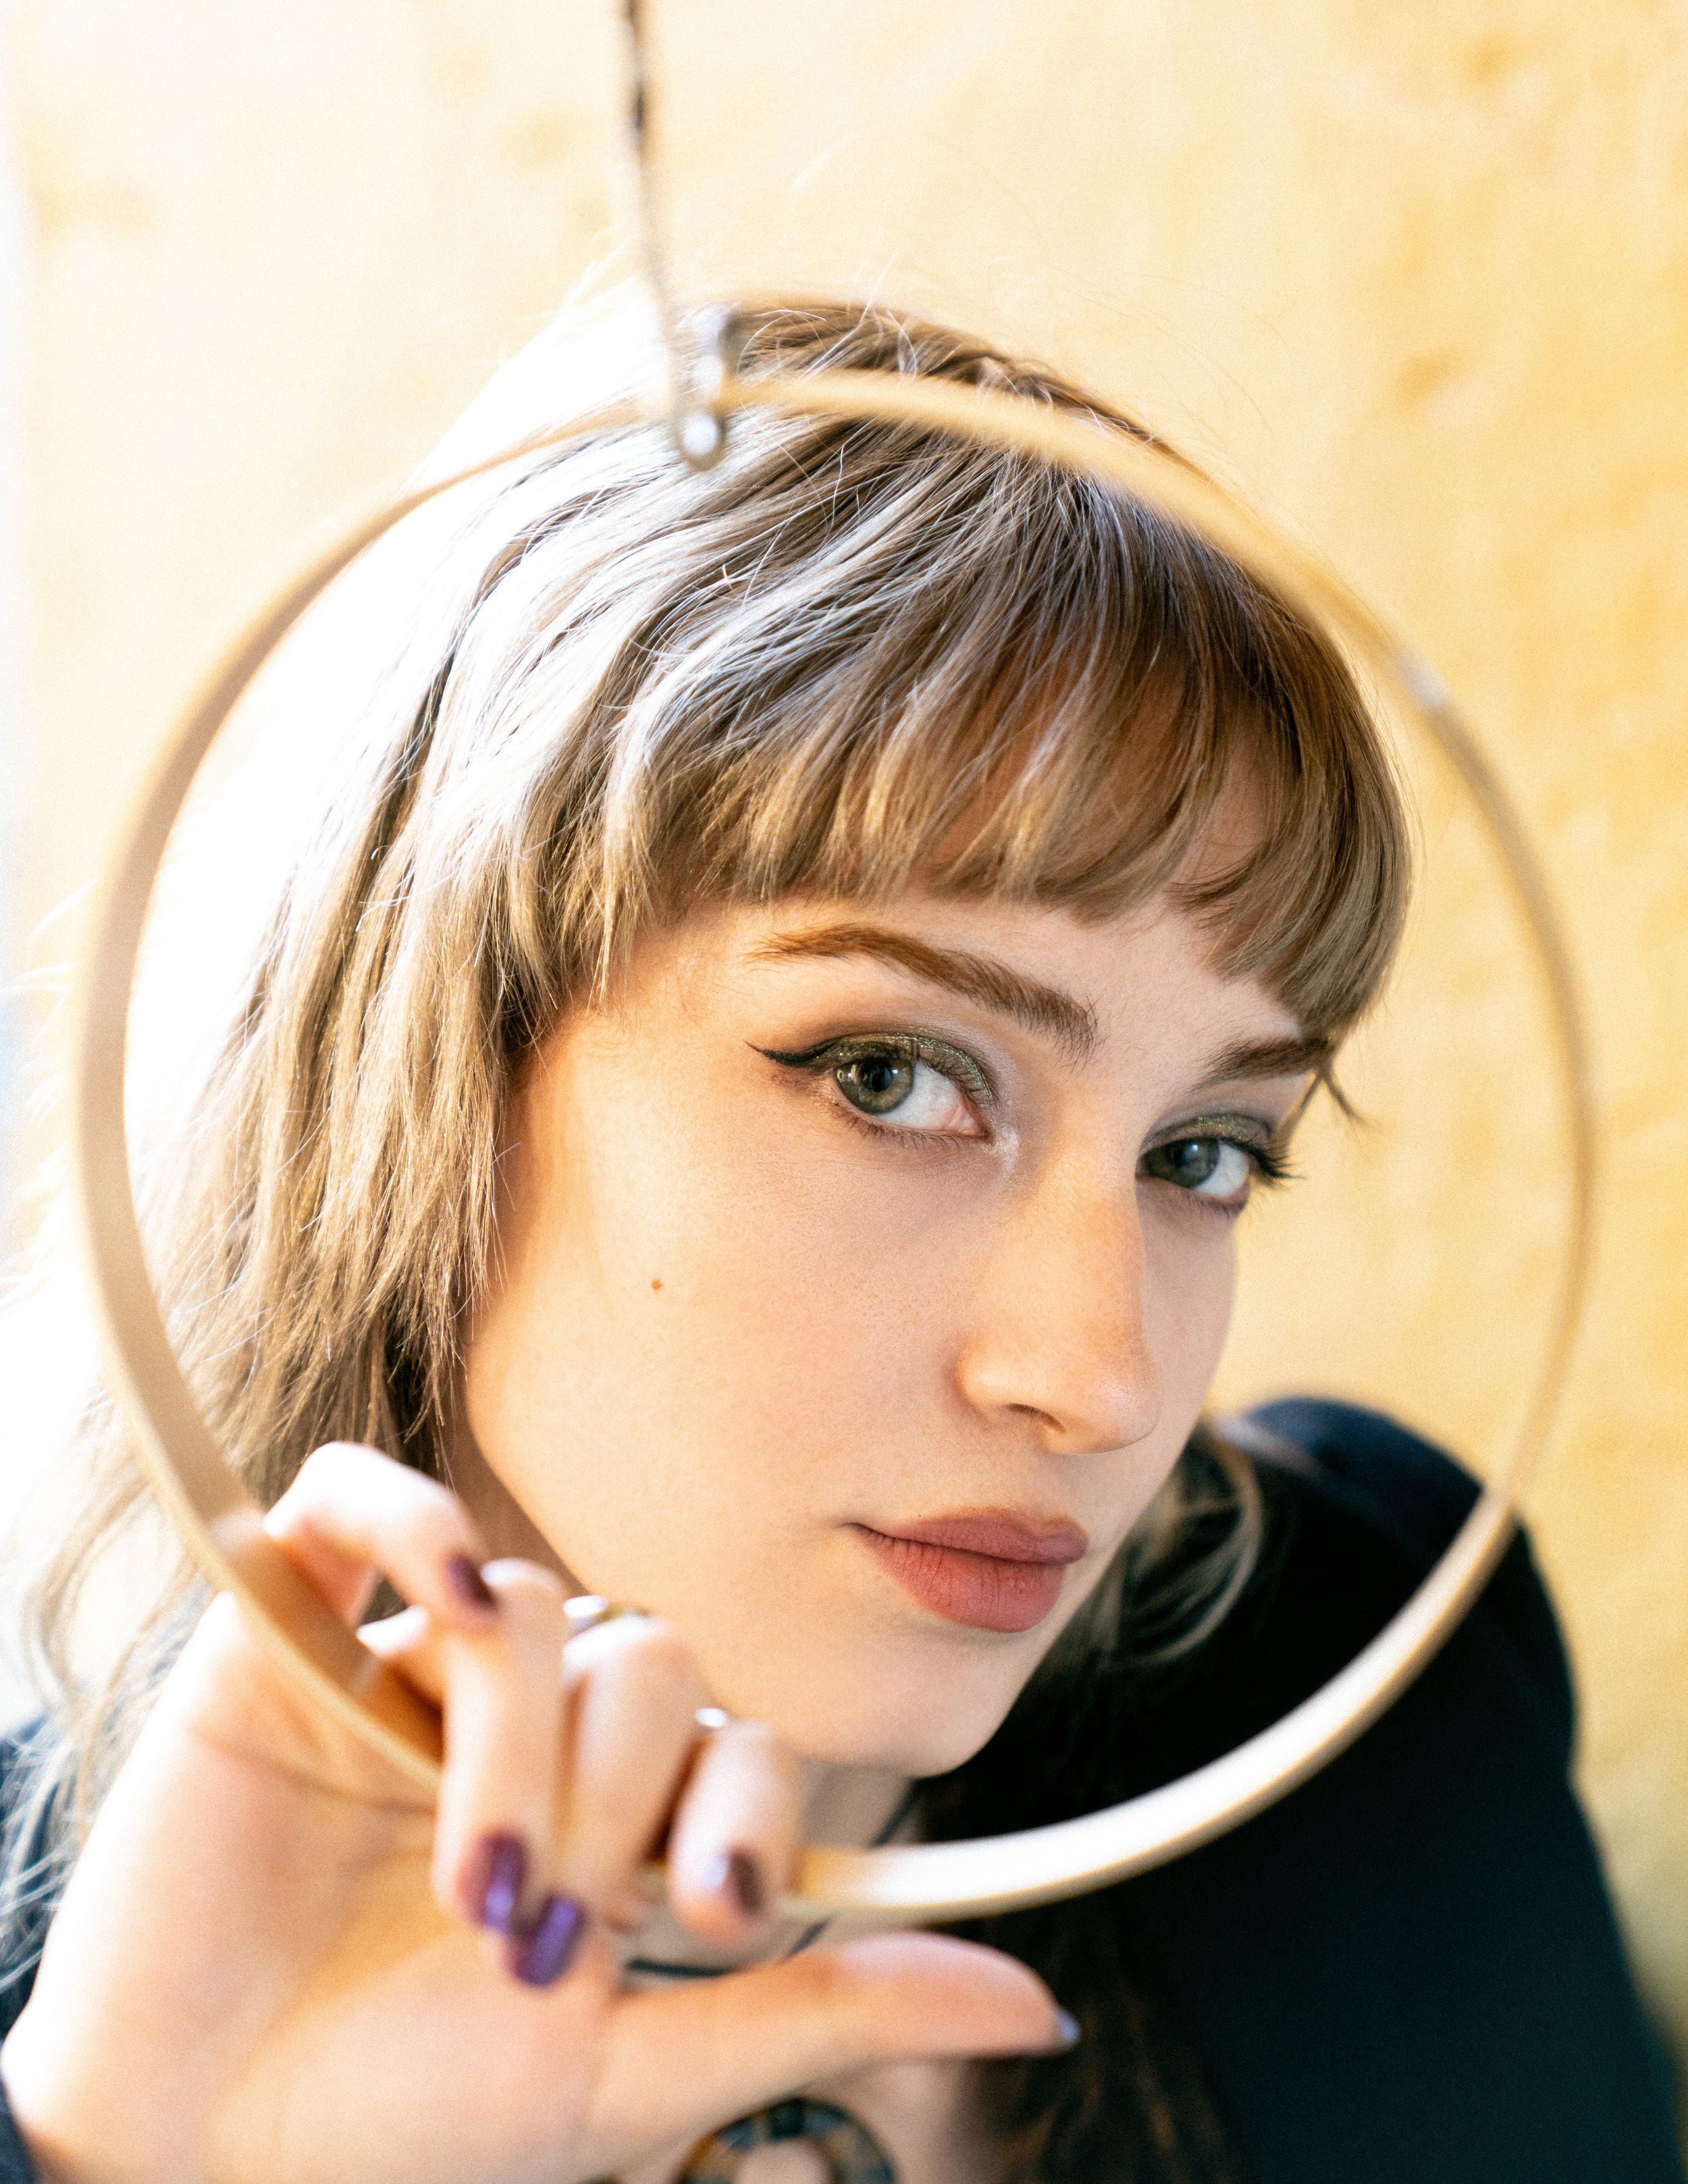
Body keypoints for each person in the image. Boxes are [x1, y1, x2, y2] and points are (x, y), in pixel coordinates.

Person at [0, 300, 1677, 2184]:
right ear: (431, 1053)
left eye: (1206, 1150)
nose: (1100, 1378)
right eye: (889, 1074)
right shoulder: (82, 2029)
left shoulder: (1359, 1695)